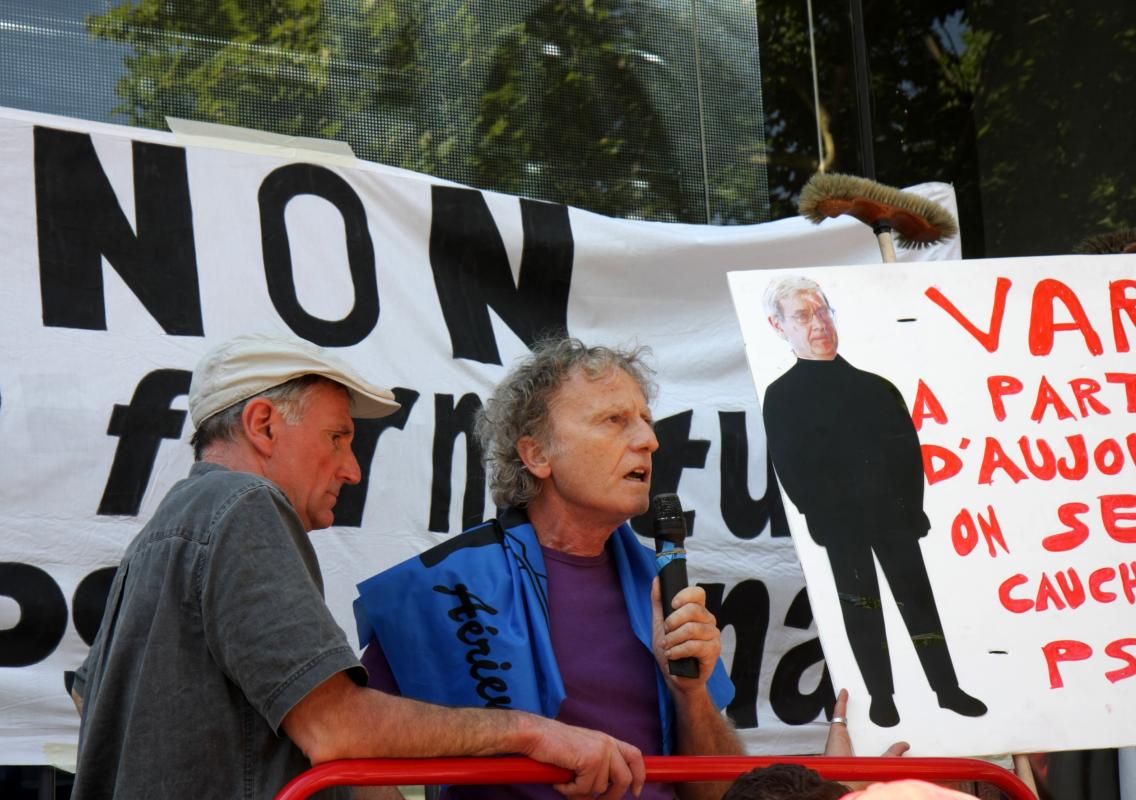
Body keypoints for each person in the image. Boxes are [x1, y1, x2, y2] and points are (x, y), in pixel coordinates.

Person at [70, 332, 646, 800]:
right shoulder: (244, 504)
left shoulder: (161, 531)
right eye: (337, 437)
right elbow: (335, 729)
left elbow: (84, 692)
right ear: (263, 425)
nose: (352, 469)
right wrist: (531, 732)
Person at [354, 338, 743, 800]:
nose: (649, 440)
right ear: (537, 454)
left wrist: (691, 694)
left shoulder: (661, 586)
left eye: (646, 420)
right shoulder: (445, 585)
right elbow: (355, 744)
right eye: (614, 420)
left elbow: (721, 792)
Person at [759, 276, 987, 729]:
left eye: (822, 312)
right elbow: (789, 465)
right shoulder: (781, 396)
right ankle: (881, 697)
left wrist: (912, 508)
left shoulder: (876, 387)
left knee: (918, 601)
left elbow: (908, 454)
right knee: (861, 607)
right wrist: (818, 514)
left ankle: (947, 689)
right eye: (802, 316)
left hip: (893, 517)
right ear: (778, 326)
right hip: (839, 524)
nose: (818, 324)